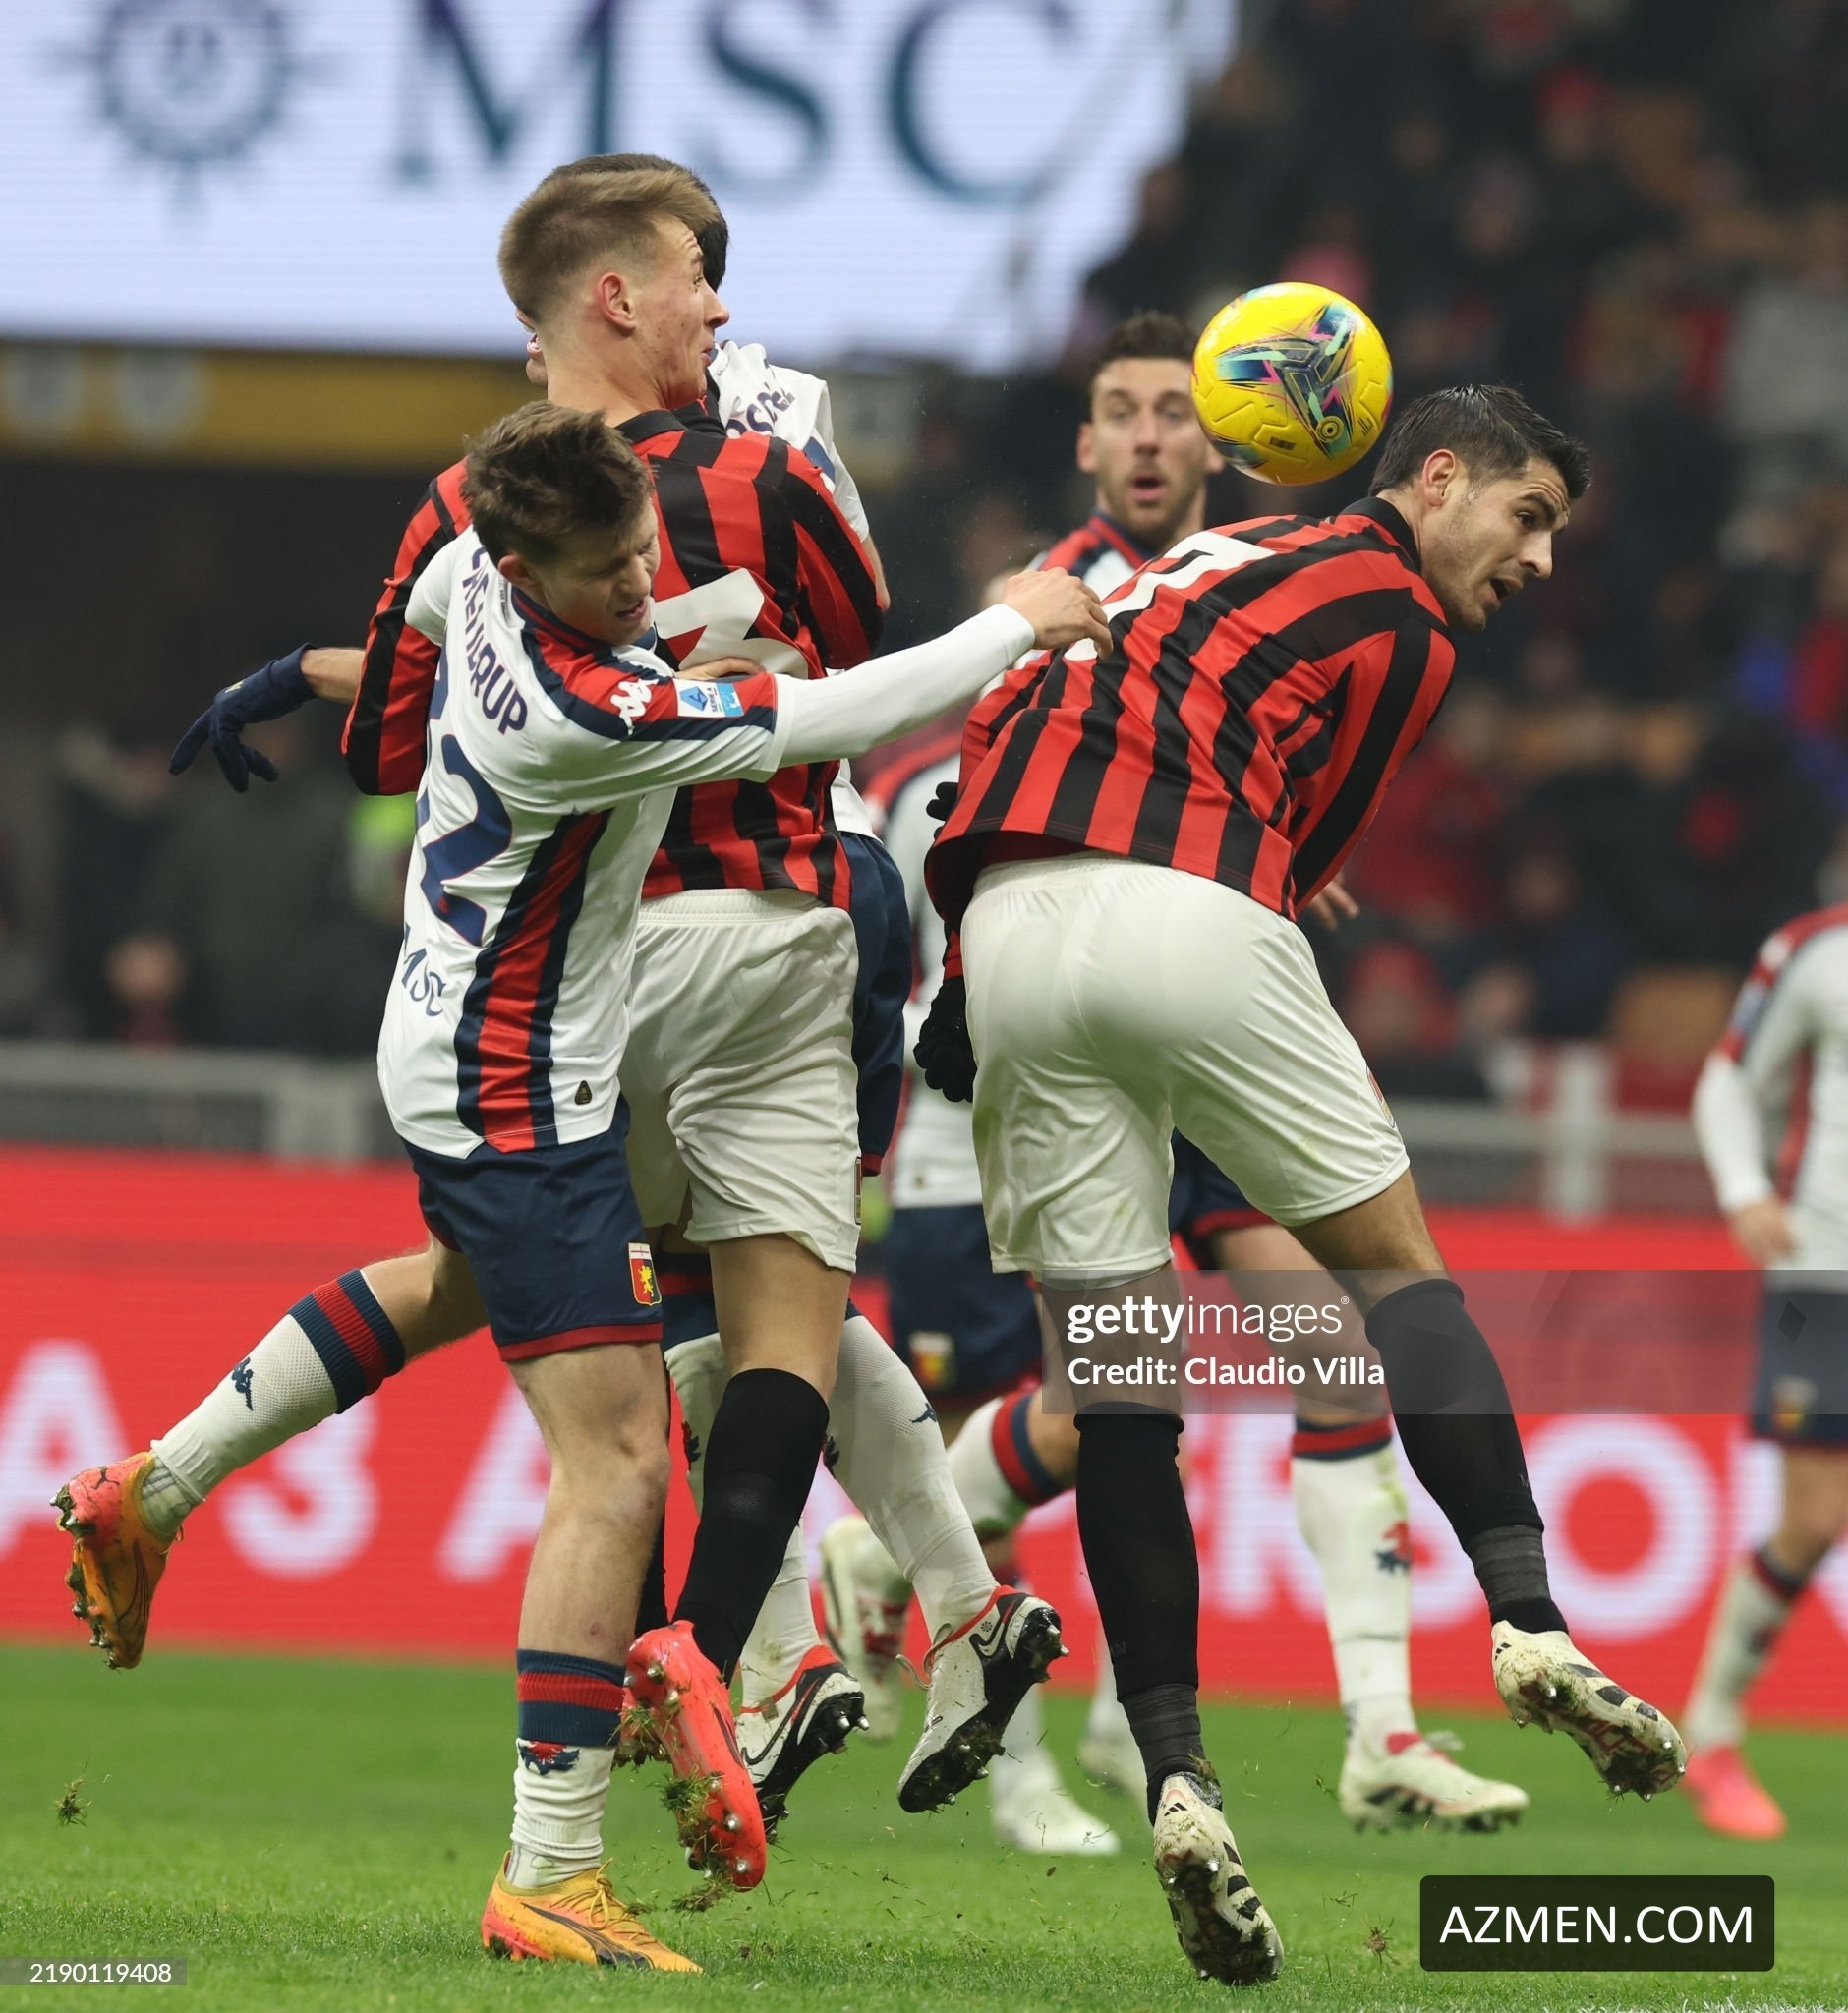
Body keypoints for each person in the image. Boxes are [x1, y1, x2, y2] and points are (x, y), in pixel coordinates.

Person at [59, 399, 1107, 1966]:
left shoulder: (466, 579)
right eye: (607, 573)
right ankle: (550, 1867)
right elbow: (831, 717)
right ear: (525, 569)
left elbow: (402, 680)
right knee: (618, 1462)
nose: (637, 585)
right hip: (519, 1083)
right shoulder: (589, 709)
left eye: (642, 552)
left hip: (460, 1035)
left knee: (458, 1290)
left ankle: (151, 1491)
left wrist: (282, 676)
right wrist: (1015, 619)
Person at [920, 384, 1686, 1986]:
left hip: (1006, 919)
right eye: (1530, 517)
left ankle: (1178, 1778)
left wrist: (960, 985)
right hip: (1188, 905)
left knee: (1118, 1387)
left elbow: (1015, 710)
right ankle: (1530, 1620)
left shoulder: (1213, 554)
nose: (1539, 560)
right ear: (1441, 477)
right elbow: (1301, 856)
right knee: (1400, 1281)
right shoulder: (1403, 614)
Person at [828, 316, 1526, 1847]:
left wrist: (1262, 836)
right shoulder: (1055, 597)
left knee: (1335, 1344)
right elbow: (958, 776)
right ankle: (926, 1614)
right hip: (1065, 990)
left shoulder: (1269, 571)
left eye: (1170, 411)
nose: (1149, 436)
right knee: (1103, 1400)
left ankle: (1383, 1729)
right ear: (1089, 444)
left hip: (1195, 980)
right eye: (1120, 411)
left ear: (1224, 435)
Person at [1683, 902, 1848, 1838]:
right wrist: (1744, 1190)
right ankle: (1712, 1732)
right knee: (1816, 1519)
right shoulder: (1817, 950)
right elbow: (1729, 1080)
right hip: (1823, 1273)